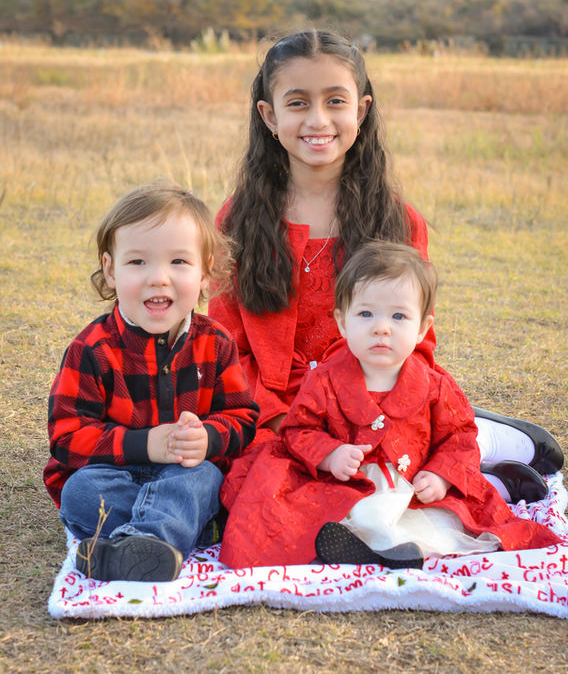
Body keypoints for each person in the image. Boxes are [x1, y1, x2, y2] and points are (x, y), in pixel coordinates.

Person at [208, 29, 563, 510]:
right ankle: (482, 452)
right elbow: (225, 349)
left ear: (361, 110)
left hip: (374, 399)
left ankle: (480, 448)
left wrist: (376, 418)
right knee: (261, 492)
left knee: (391, 482)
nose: (318, 119)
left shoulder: (394, 220)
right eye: (297, 103)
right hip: (276, 414)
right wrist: (280, 423)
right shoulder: (236, 220)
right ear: (269, 116)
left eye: (336, 100)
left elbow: (415, 339)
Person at [218, 240, 560, 568]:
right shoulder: (324, 381)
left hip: (413, 488)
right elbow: (298, 429)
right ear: (342, 322)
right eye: (366, 314)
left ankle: (398, 548)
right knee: (313, 509)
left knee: (442, 521)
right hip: (347, 485)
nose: (381, 328)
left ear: (423, 328)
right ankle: (361, 544)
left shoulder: (434, 386)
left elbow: (460, 437)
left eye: (398, 317)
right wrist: (328, 454)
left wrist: (440, 476)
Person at [44, 183, 259, 582]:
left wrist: (208, 437)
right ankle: (166, 536)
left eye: (178, 262)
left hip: (184, 473)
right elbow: (66, 437)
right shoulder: (92, 348)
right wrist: (146, 444)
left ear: (205, 270)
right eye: (138, 262)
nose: (159, 279)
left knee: (206, 480)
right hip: (115, 475)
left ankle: (137, 544)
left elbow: (243, 418)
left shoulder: (215, 342)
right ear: (111, 269)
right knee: (80, 494)